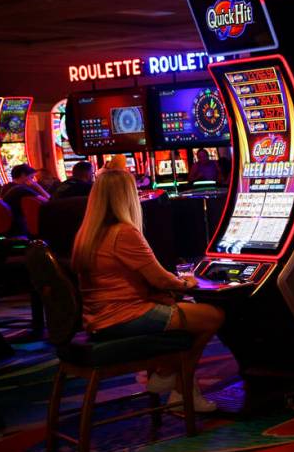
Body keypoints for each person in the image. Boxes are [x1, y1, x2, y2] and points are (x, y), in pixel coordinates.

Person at [71, 169, 225, 411]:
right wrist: (187, 283)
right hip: (123, 316)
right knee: (212, 316)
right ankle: (171, 376)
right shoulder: (124, 232)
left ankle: (179, 388)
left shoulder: (86, 233)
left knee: (186, 314)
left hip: (98, 318)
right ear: (127, 197)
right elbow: (160, 278)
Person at [2, 164, 51, 235]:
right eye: (31, 177)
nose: (33, 180)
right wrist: (37, 186)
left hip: (5, 224)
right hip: (19, 227)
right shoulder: (23, 189)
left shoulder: (5, 187)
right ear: (23, 175)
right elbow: (49, 201)